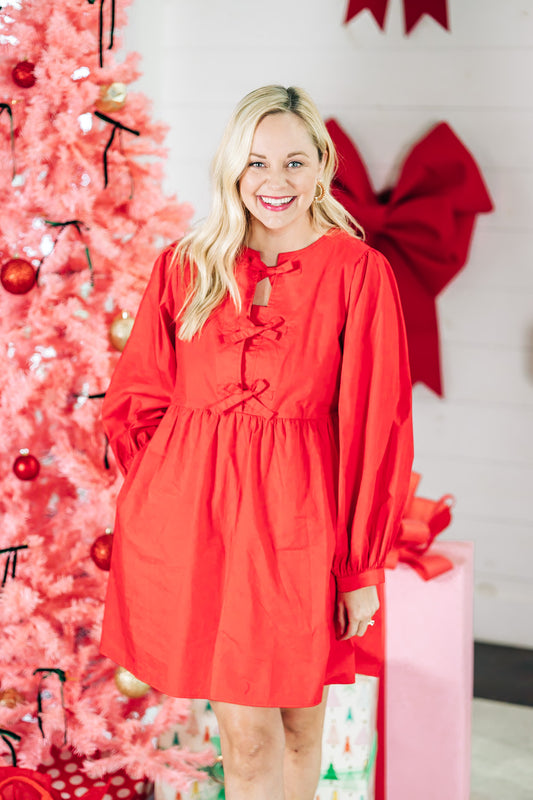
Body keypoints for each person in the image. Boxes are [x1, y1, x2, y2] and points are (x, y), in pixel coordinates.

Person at [100, 85, 414, 800]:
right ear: (231, 169)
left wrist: (360, 565)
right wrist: (171, 491)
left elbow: (376, 424)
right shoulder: (186, 264)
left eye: (294, 162)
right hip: (201, 528)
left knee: (304, 727)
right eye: (256, 163)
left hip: (305, 527)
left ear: (321, 166)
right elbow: (136, 397)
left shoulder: (357, 272)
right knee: (246, 741)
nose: (275, 183)